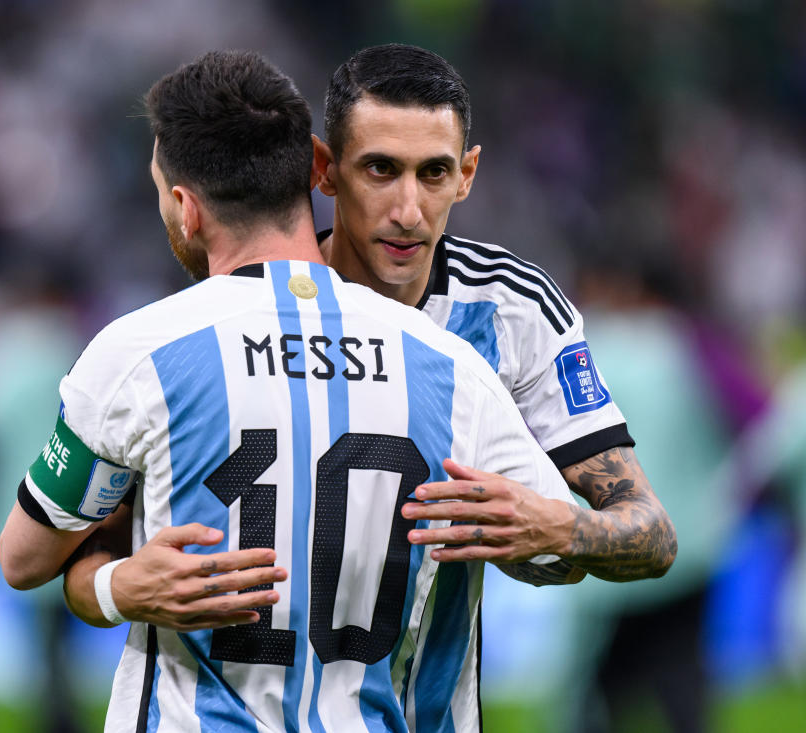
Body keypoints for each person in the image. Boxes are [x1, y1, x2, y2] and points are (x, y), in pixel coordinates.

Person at [0, 50, 582, 732]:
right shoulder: (451, 364)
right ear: (315, 170)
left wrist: (114, 585)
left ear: (186, 209)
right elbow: (557, 544)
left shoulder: (141, 353)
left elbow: (23, 557)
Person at [61, 43, 676, 628]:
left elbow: (650, 534)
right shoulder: (228, 313)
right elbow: (91, 551)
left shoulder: (511, 308)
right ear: (324, 170)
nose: (408, 210)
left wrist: (557, 530)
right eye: (380, 169)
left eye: (434, 173)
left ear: (467, 175)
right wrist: (117, 590)